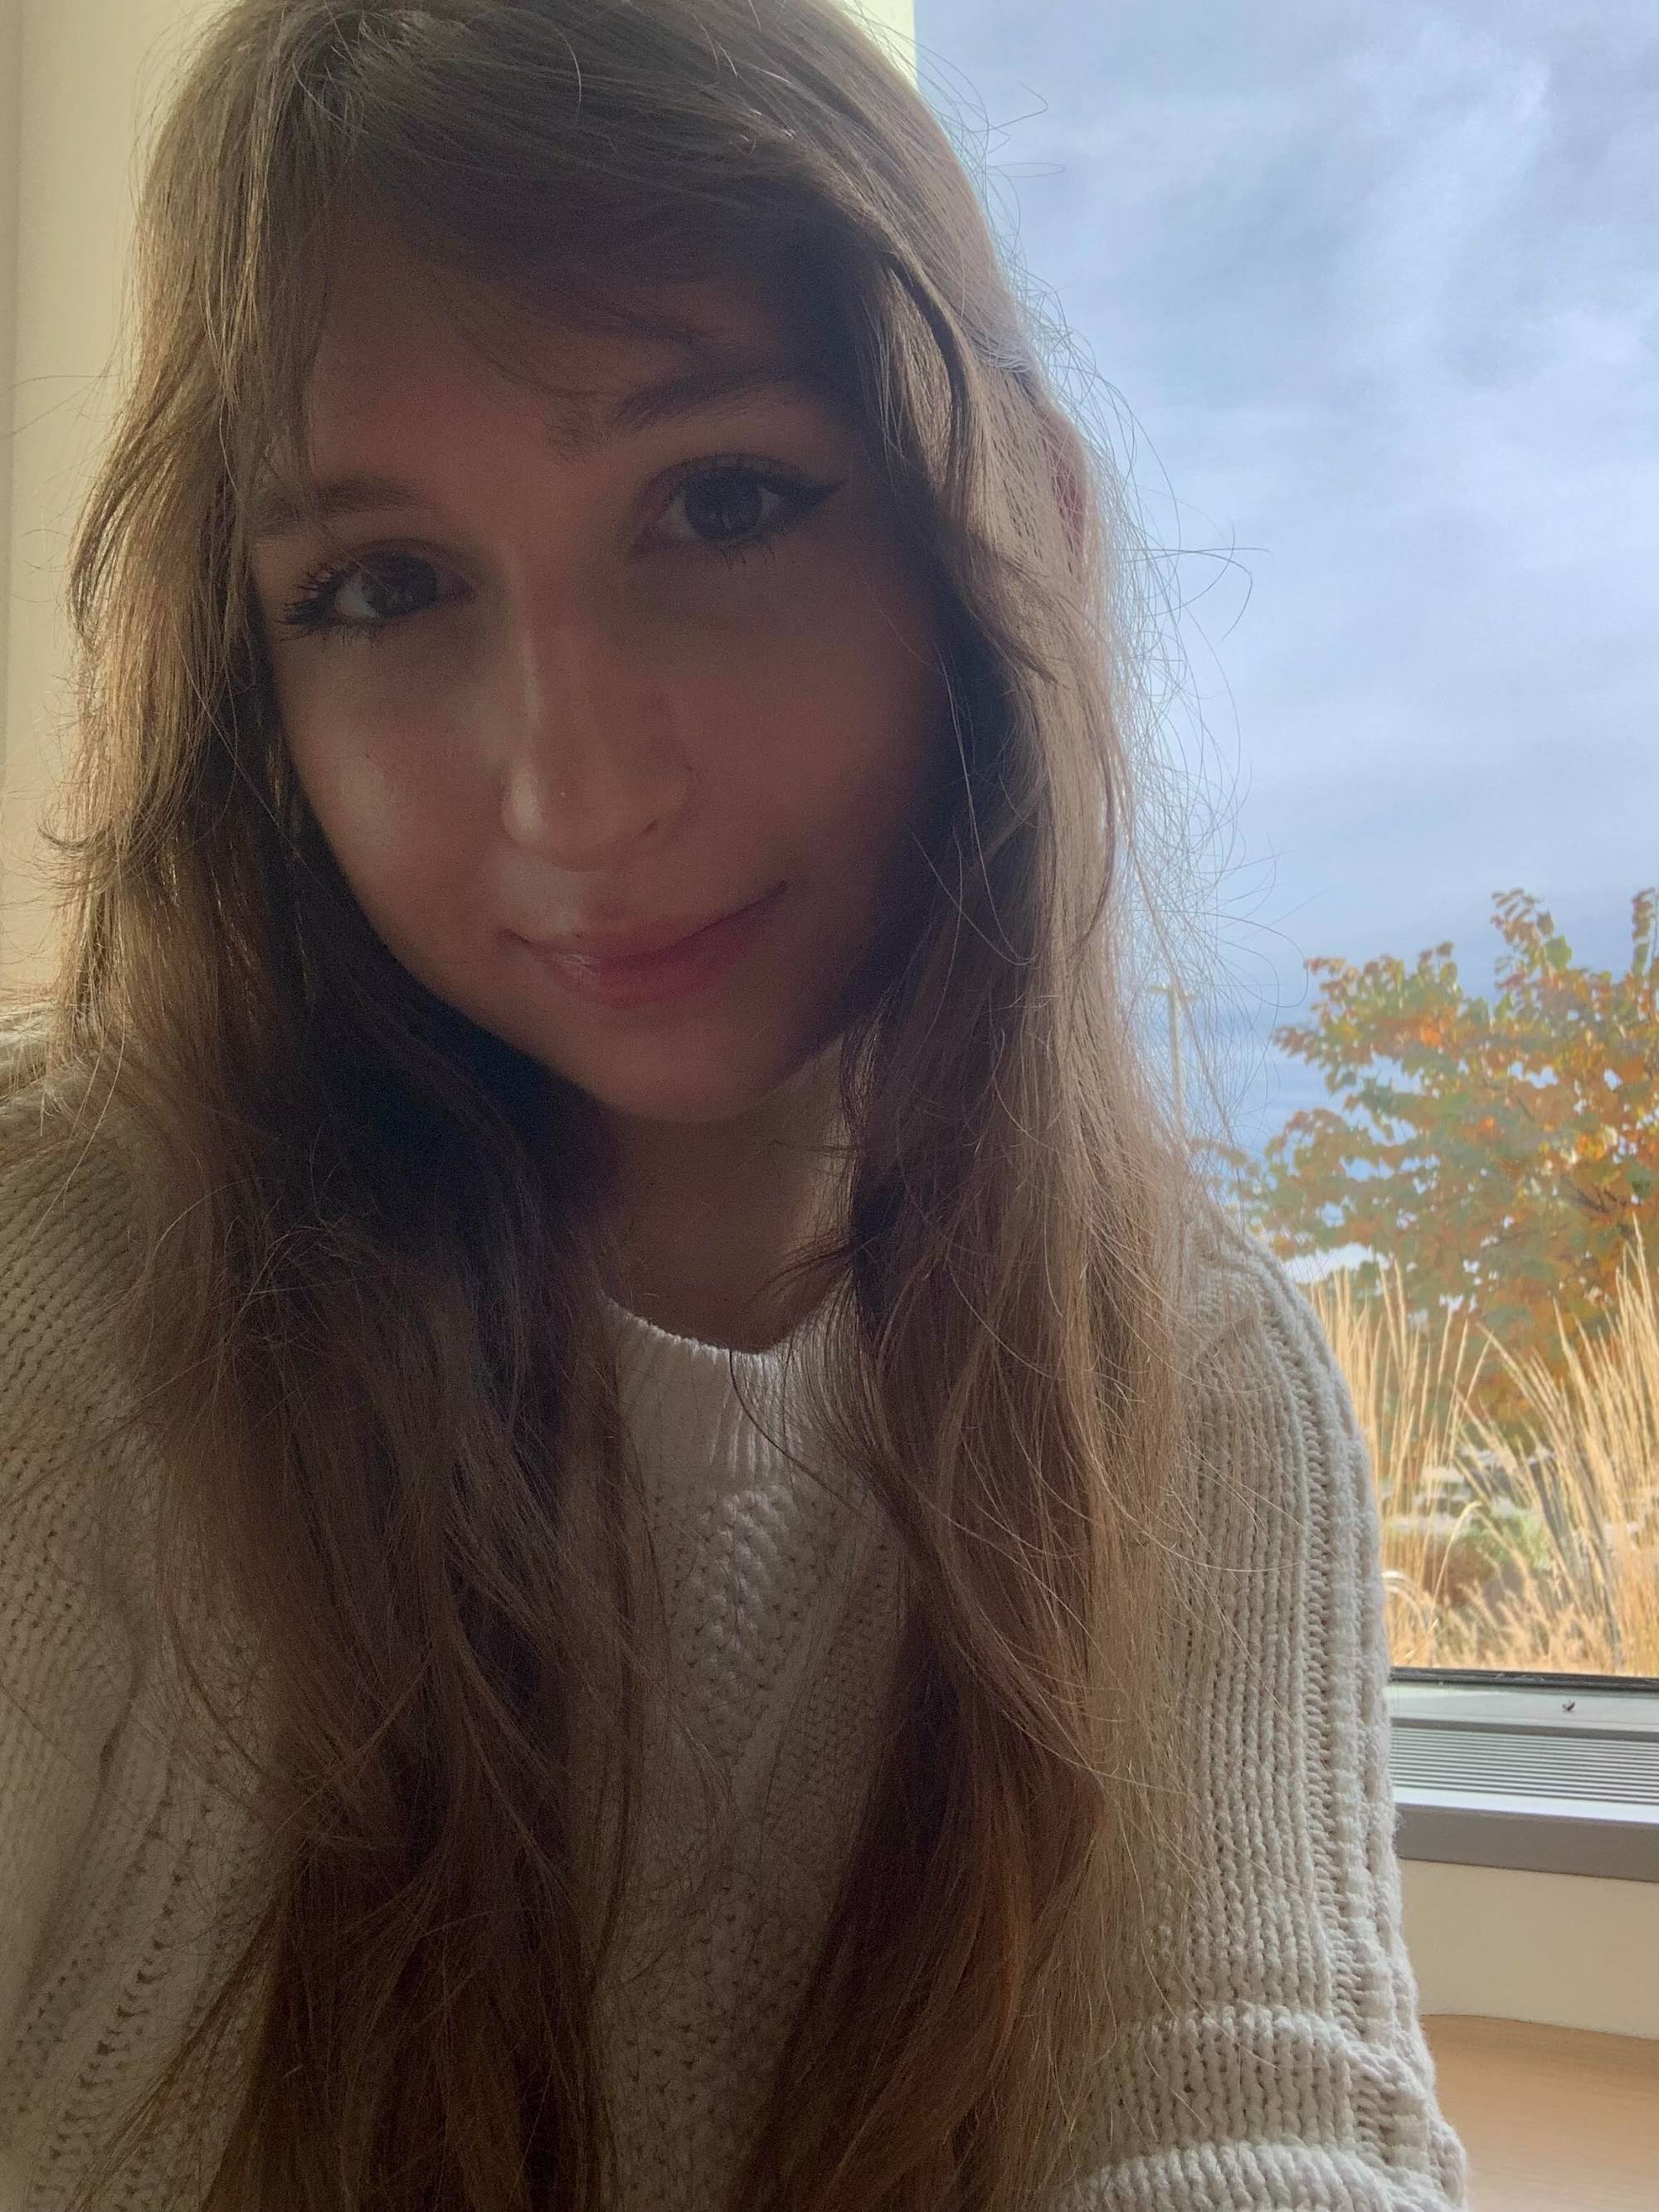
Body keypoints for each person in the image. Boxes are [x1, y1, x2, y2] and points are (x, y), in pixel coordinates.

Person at [0, 1, 1468, 2206]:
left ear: (1023, 529)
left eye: (725, 501)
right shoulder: (66, 1296)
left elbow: (1247, 2098)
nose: (575, 791)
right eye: (382, 586)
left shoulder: (1199, 1381)